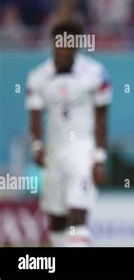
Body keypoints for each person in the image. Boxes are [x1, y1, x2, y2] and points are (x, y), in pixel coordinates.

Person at [26, 19, 112, 247]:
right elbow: (34, 115)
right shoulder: (37, 77)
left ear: (77, 46)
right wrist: (37, 146)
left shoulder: (95, 73)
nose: (64, 49)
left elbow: (102, 116)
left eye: (69, 45)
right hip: (55, 151)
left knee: (78, 212)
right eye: (59, 44)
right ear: (53, 44)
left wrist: (99, 156)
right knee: (56, 220)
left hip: (83, 149)